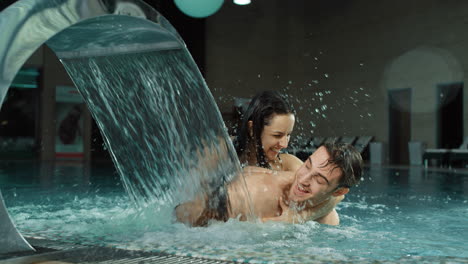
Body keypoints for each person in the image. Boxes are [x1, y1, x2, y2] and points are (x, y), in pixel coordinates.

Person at [175, 142, 363, 226]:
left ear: (338, 191)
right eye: (307, 165)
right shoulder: (292, 167)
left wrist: (291, 221)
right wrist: (297, 219)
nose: (303, 179)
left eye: (319, 180)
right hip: (204, 208)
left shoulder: (328, 219)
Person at [234, 91, 303, 172]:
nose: (285, 145)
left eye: (288, 135)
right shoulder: (225, 152)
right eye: (277, 135)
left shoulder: (288, 165)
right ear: (252, 129)